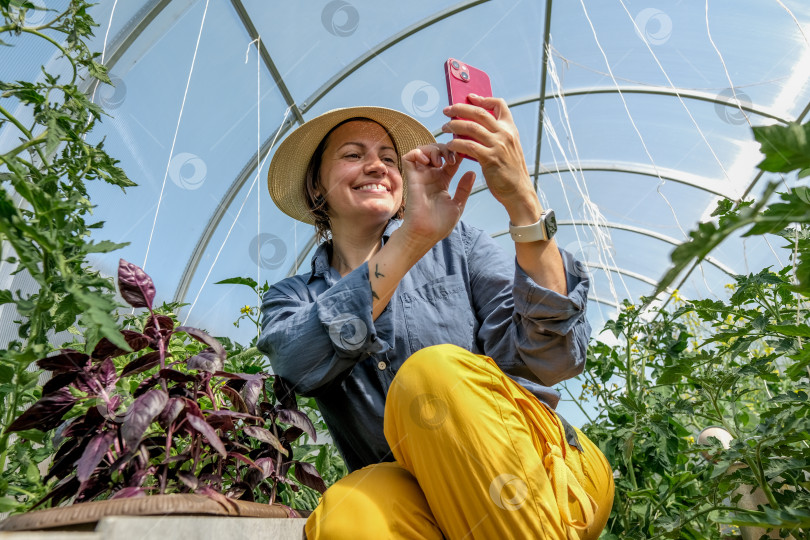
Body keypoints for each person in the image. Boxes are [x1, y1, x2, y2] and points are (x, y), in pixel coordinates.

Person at [258, 94, 614, 539]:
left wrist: (520, 196)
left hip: (546, 475)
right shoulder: (293, 297)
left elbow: (552, 357)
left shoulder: (457, 246)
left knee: (431, 374)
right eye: (353, 155)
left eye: (389, 158)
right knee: (347, 514)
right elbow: (297, 364)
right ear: (316, 187)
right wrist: (411, 240)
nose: (376, 166)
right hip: (422, 506)